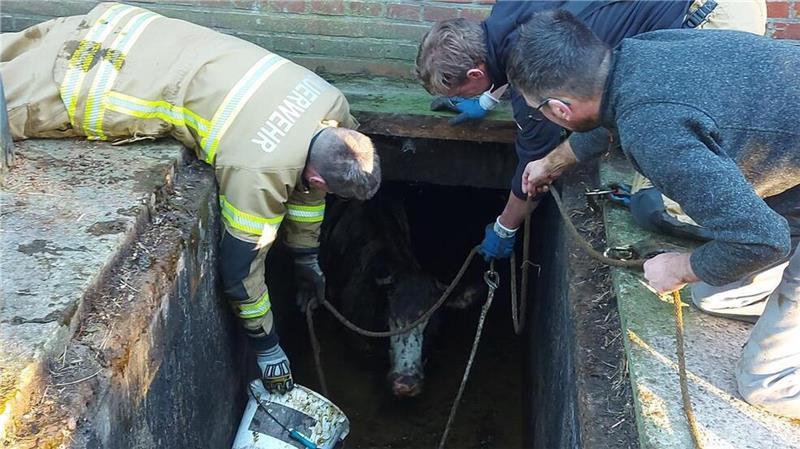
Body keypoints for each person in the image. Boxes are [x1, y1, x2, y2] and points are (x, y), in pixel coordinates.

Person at [0, 2, 381, 394]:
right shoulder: (258, 170)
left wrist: (306, 257)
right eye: (327, 189)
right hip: (86, 79)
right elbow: (239, 273)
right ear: (318, 176)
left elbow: (307, 187)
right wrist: (267, 347)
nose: (321, 193)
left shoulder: (329, 104)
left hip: (122, 30)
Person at [508, 9, 800, 418]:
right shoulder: (642, 52)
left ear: (558, 109)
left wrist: (681, 267)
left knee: (765, 386)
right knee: (714, 296)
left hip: (774, 217)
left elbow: (762, 239)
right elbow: (608, 116)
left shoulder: (654, 131)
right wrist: (551, 162)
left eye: (537, 108)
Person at [414, 0, 767, 259]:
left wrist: (505, 228)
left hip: (711, 28)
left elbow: (533, 172)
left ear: (476, 74)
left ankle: (755, 234)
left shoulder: (534, 95)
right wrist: (487, 102)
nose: (465, 98)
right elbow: (506, 54)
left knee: (654, 205)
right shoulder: (508, 11)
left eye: (461, 93)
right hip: (715, 5)